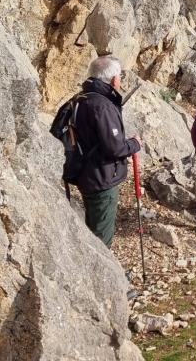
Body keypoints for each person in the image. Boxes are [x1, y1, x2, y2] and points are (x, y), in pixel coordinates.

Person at [68, 55, 141, 248]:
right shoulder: (102, 105)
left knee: (94, 227)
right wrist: (134, 144)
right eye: (120, 77)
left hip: (86, 173)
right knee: (101, 236)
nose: (120, 81)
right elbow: (115, 148)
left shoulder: (81, 99)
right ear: (114, 79)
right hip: (102, 178)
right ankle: (102, 275)